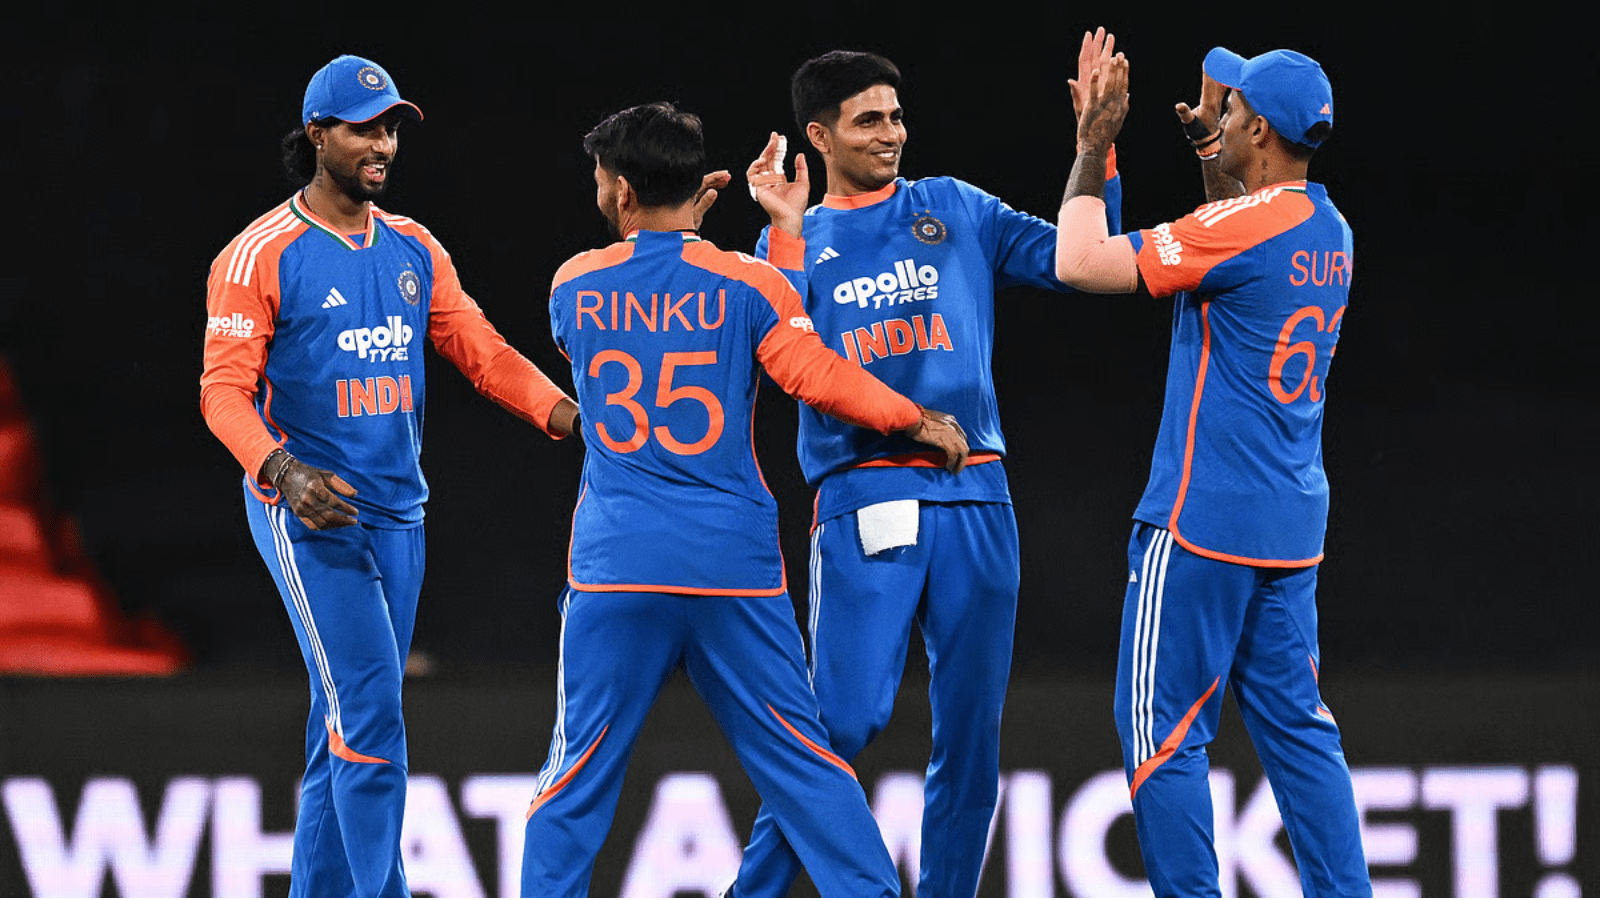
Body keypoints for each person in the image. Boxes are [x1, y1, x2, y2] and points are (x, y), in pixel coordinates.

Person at [518, 101, 970, 899]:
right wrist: (912, 418)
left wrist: (683, 231)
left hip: (617, 566)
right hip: (731, 567)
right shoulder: (750, 282)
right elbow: (808, 368)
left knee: (576, 772)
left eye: (600, 179)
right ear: (695, 186)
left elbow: (632, 317)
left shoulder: (572, 284)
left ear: (622, 191)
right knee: (802, 764)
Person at [729, 35, 1122, 898]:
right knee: (842, 723)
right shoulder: (792, 241)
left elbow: (1080, 262)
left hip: (979, 495)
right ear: (818, 136)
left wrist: (1095, 149)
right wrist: (785, 233)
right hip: (867, 494)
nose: (891, 133)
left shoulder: (954, 206)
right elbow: (781, 353)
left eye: (897, 116)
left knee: (972, 741)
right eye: (868, 120)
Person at [199, 54, 577, 897]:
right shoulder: (258, 254)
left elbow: (484, 354)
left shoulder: (413, 246)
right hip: (310, 514)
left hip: (400, 515)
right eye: (365, 129)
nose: (383, 145)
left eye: (392, 129)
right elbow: (221, 394)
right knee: (370, 712)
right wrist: (285, 472)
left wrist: (578, 420)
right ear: (317, 135)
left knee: (338, 723)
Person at [1055, 39, 1372, 897]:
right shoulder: (1329, 229)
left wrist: (1094, 144)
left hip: (1201, 519)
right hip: (1288, 523)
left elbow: (1078, 261)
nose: (1218, 115)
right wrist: (1207, 149)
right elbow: (1239, 239)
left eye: (1230, 110)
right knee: (1300, 732)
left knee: (1160, 734)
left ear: (1260, 130)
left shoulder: (1249, 227)